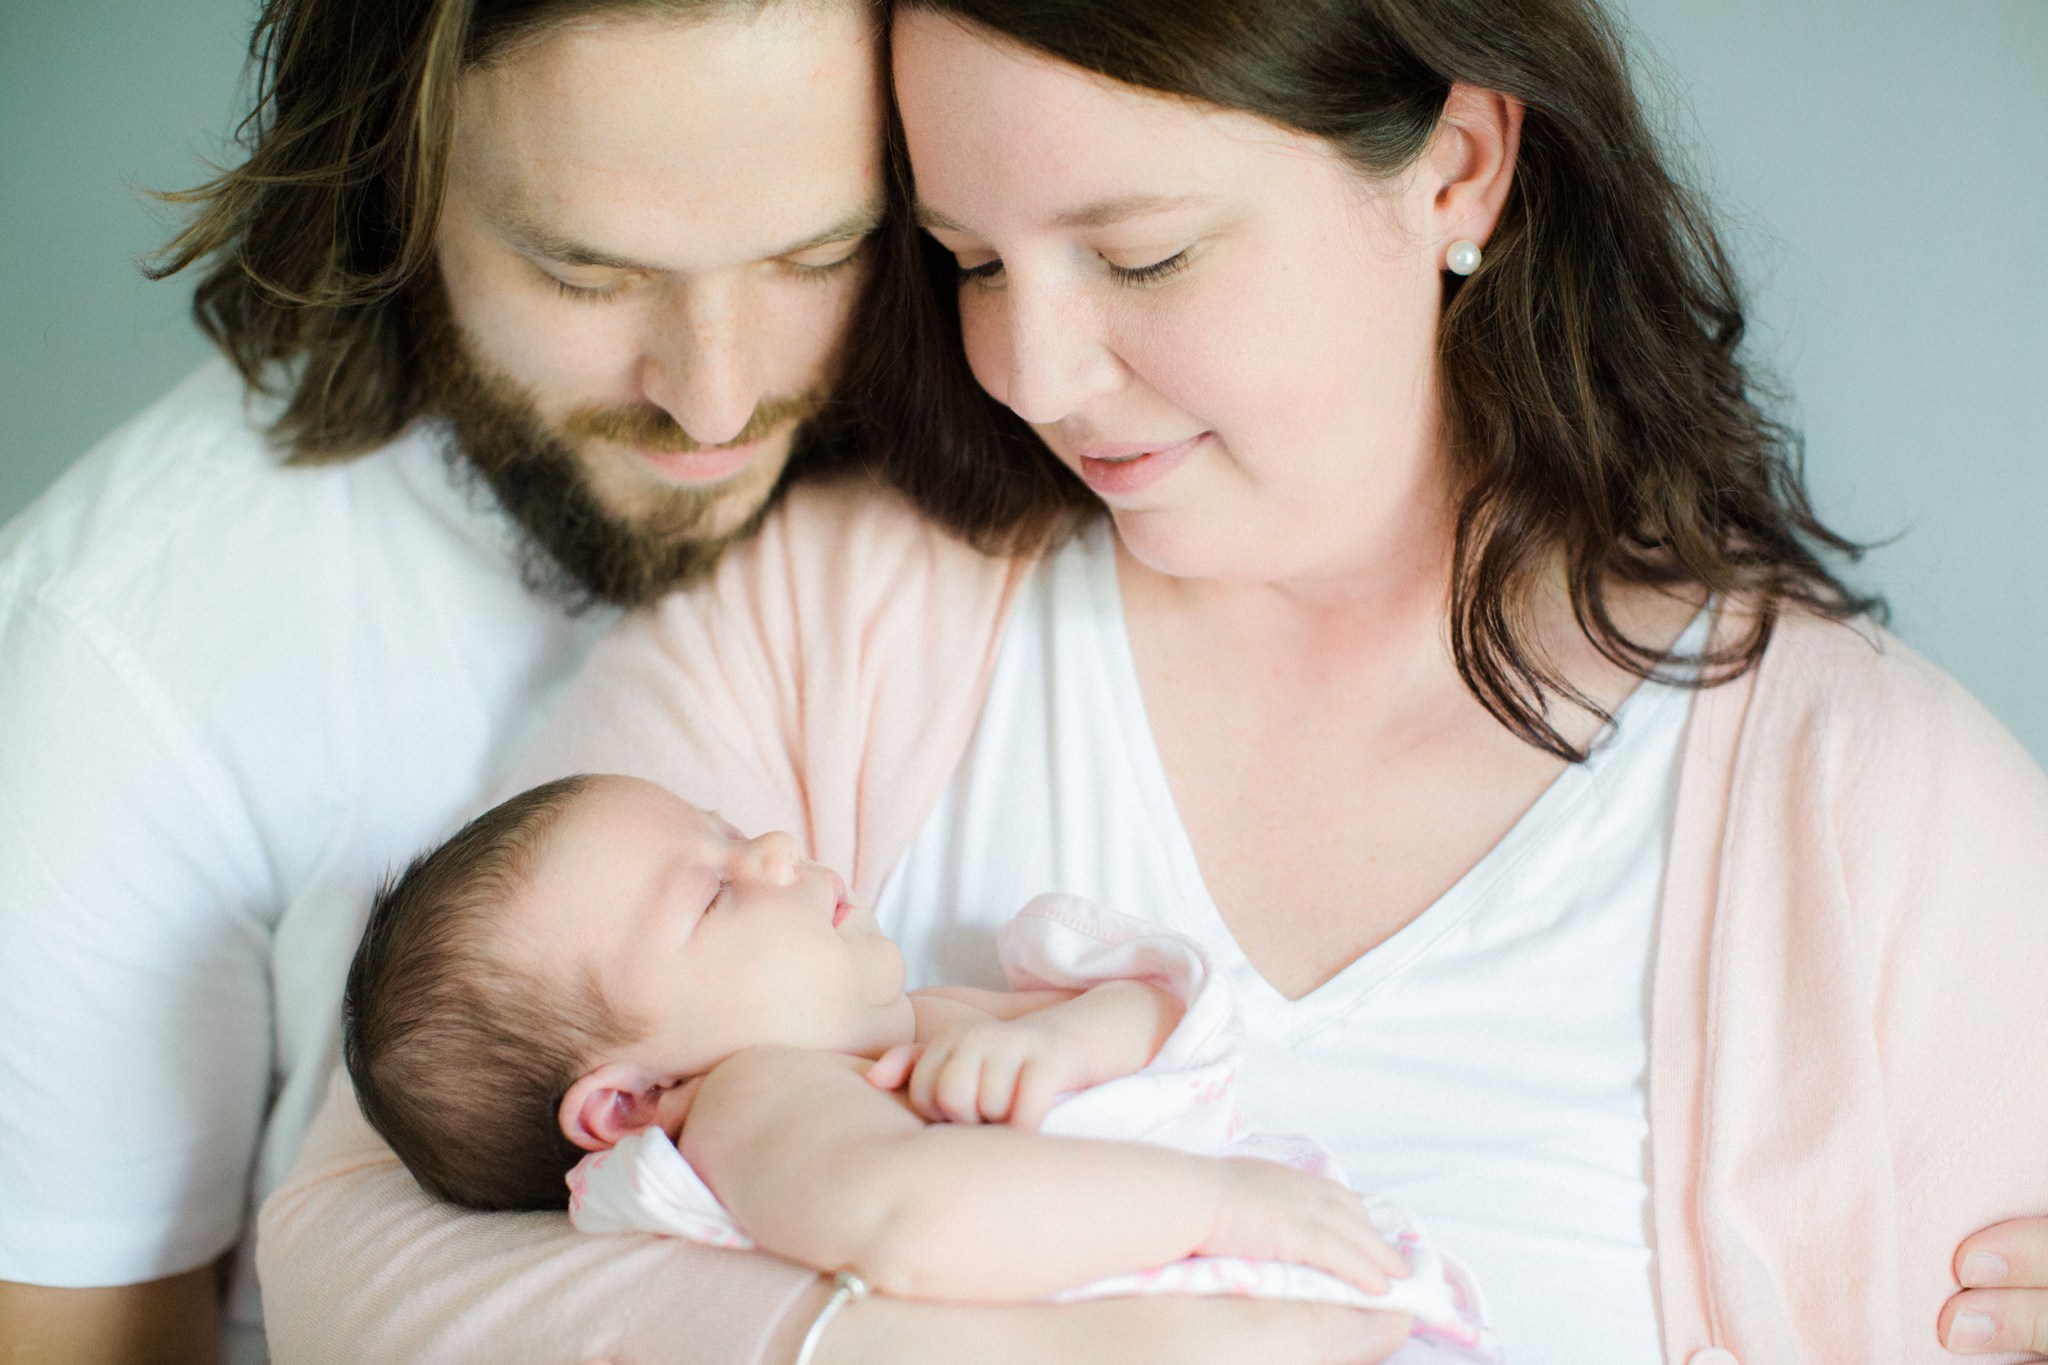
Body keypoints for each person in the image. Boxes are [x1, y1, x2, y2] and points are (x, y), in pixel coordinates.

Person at [255, 1, 2048, 1364]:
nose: (1030, 365)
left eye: (1139, 253)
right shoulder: (840, 618)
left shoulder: (1864, 809)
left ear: (1456, 169)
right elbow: (348, 1241)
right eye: (964, 258)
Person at [0, 0, 899, 1358]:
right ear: (394, 186)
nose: (716, 402)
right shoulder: (110, 667)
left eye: (816, 255)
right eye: (587, 277)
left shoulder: (989, 463)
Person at [340, 773, 1432, 1318]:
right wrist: (1215, 1207)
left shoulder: (903, 1037)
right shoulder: (749, 1104)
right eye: (716, 893)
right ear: (629, 1105)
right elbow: (922, 1219)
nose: (769, 847)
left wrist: (1064, 1038)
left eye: (723, 829)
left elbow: (1171, 1025)